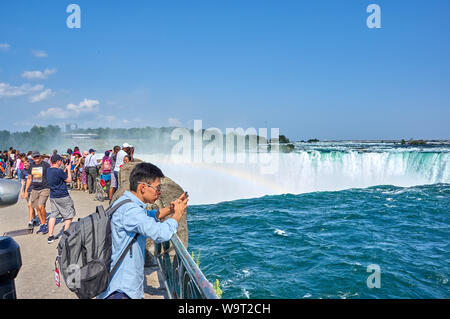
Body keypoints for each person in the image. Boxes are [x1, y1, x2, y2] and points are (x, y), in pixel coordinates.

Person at [99, 162, 188, 299]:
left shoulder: (125, 202)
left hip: (118, 284)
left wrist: (171, 209)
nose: (159, 192)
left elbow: (147, 216)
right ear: (143, 187)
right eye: (157, 188)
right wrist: (177, 215)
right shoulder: (131, 211)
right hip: (122, 290)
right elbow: (161, 234)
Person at [46, 154, 76, 244]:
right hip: (63, 195)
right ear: (58, 161)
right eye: (60, 161)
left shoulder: (48, 170)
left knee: (53, 214)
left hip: (53, 196)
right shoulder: (59, 171)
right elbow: (69, 180)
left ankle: (50, 236)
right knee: (69, 215)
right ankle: (65, 236)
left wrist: (63, 171)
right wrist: (68, 170)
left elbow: (58, 176)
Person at [24, 151, 51, 234]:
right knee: (37, 207)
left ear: (40, 156)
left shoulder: (45, 165)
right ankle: (43, 224)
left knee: (40, 206)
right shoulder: (31, 166)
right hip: (35, 189)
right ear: (32, 158)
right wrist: (25, 191)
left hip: (45, 188)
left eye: (38, 156)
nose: (36, 158)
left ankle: (44, 224)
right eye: (35, 157)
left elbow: (51, 175)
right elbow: (29, 178)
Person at [19, 158, 38, 228]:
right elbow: (22, 182)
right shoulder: (23, 171)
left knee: (30, 205)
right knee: (31, 206)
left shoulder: (33, 170)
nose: (26, 164)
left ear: (29, 163)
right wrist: (21, 191)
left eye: (27, 163)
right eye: (24, 163)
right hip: (26, 190)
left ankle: (30, 222)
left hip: (33, 189)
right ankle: (34, 219)